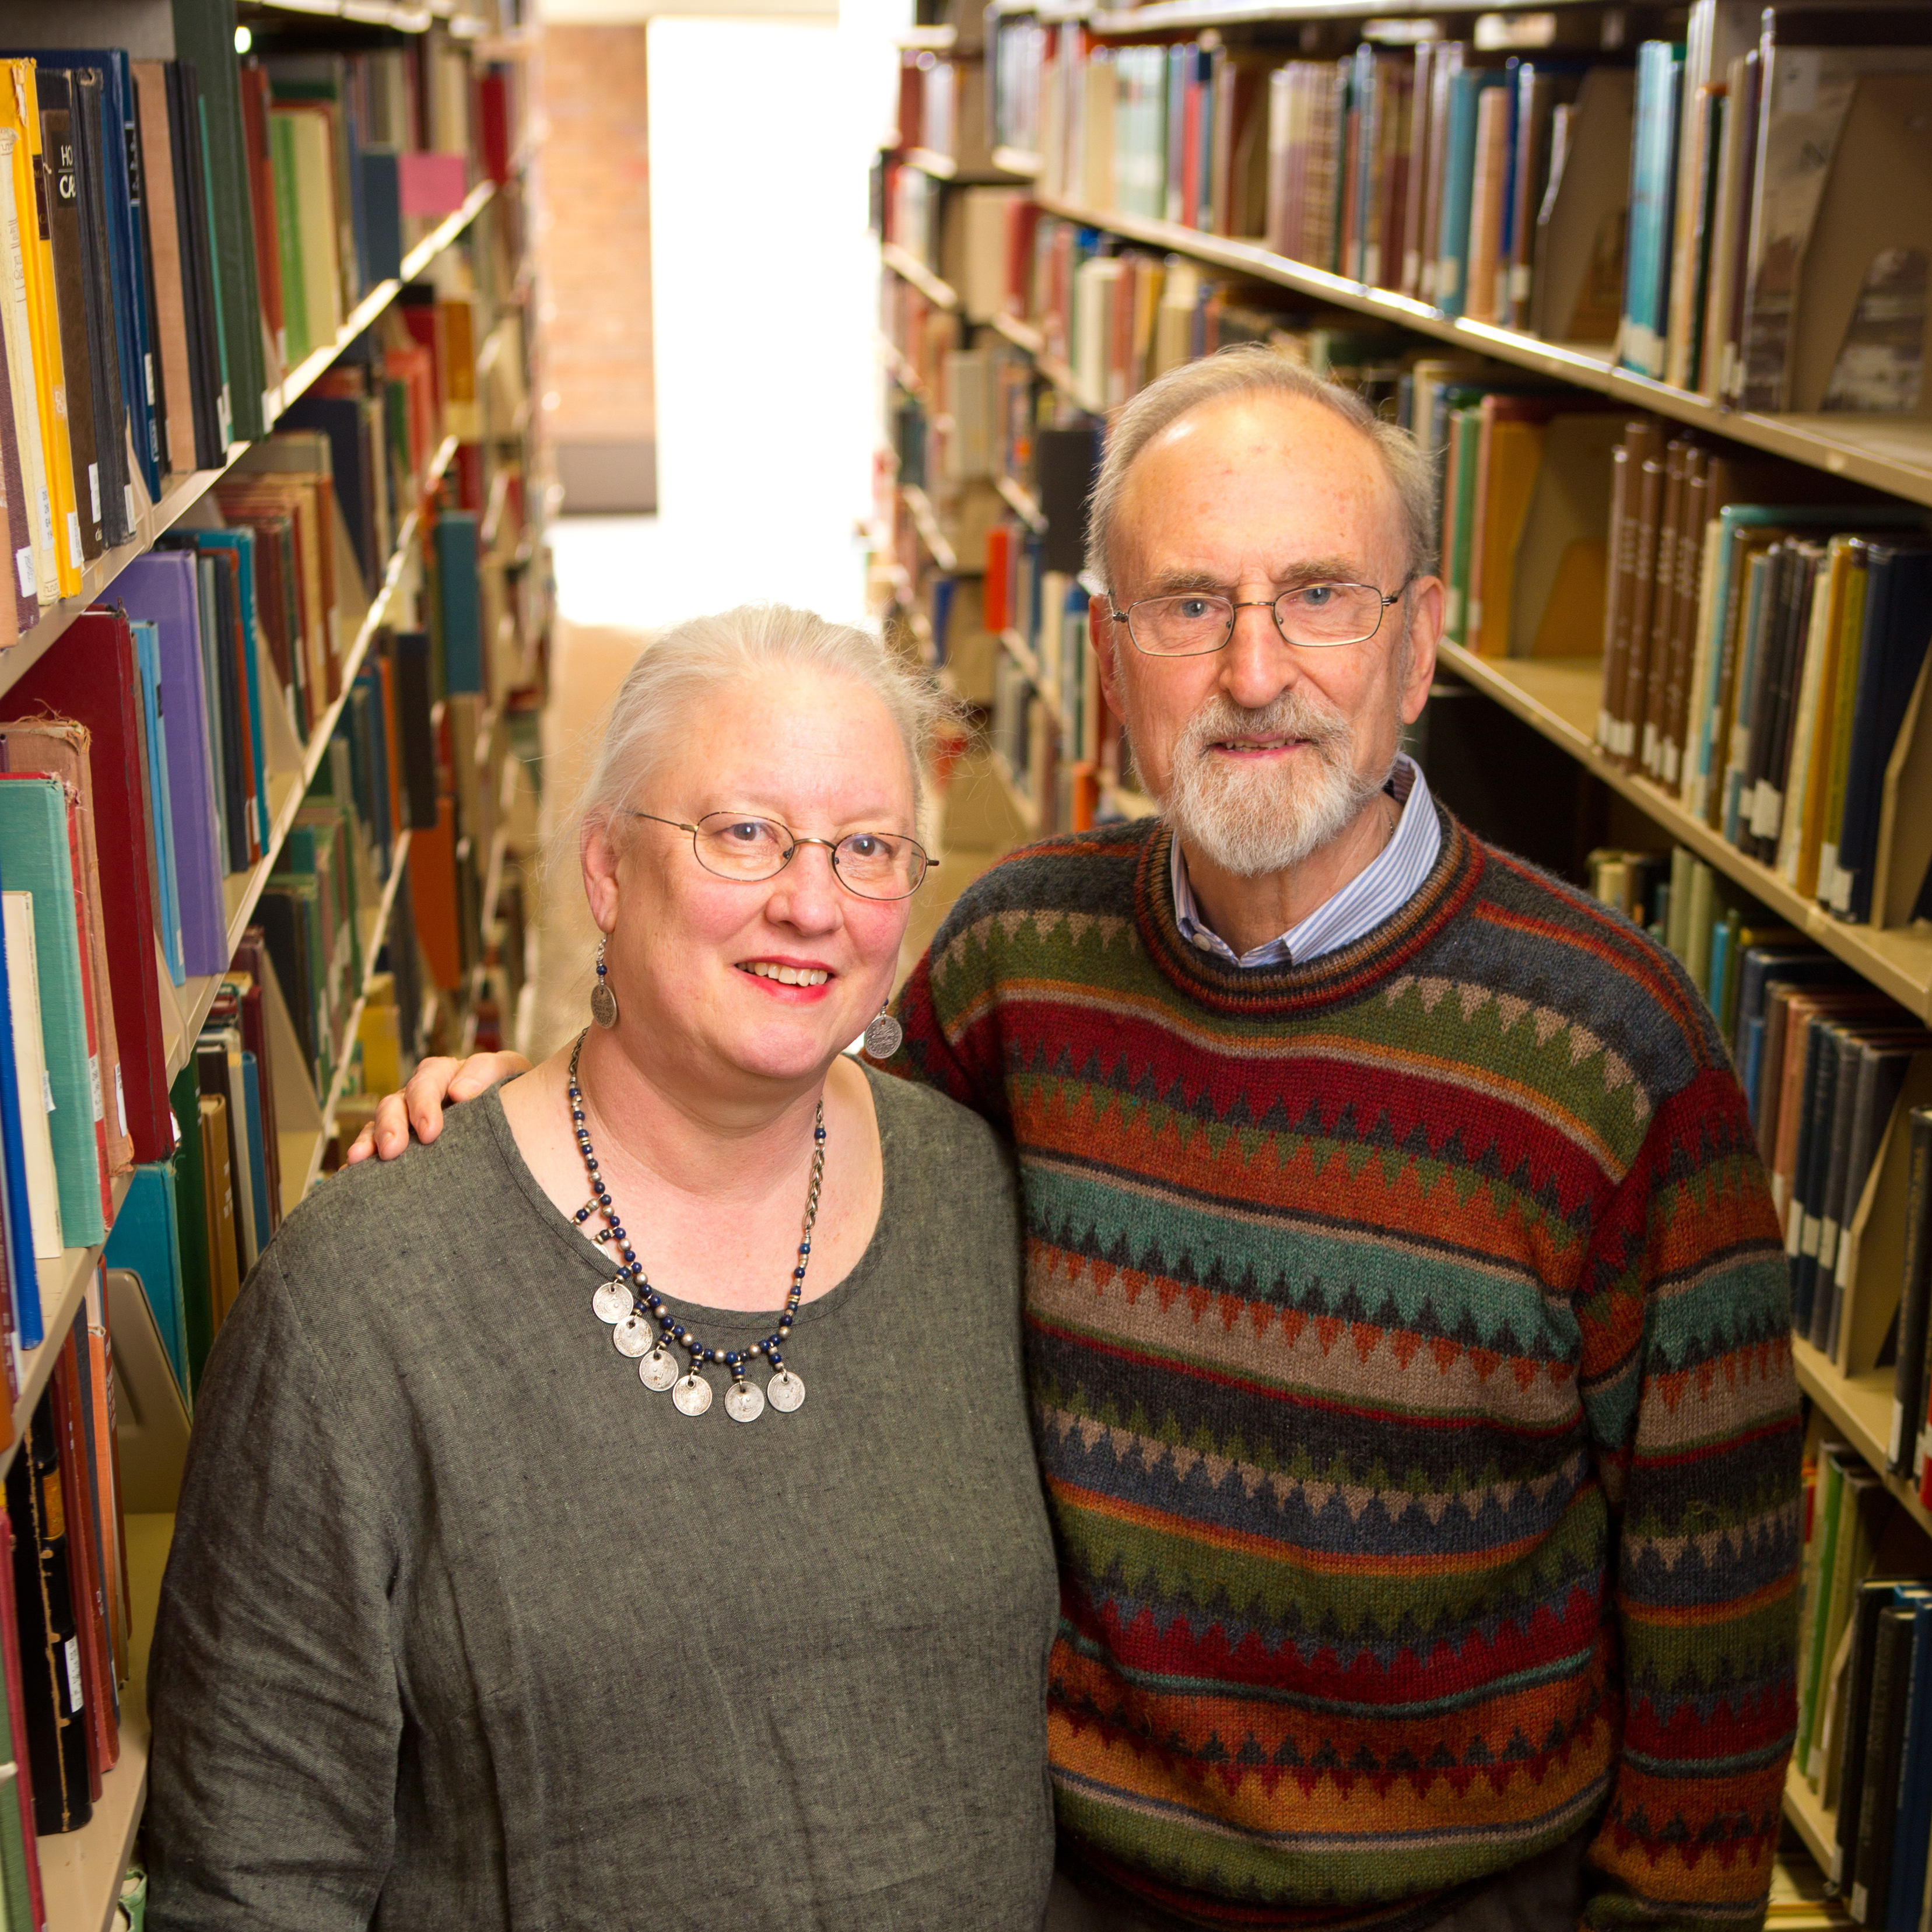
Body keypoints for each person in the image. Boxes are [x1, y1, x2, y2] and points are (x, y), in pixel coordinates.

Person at [368, 348, 1801, 1932]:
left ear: (1420, 643)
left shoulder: (1616, 1049)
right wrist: (551, 1111)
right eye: (1188, 605)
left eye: (1321, 595)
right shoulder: (1016, 958)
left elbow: (1717, 1583)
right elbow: (784, 1147)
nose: (1256, 669)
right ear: (1110, 653)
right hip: (1064, 1889)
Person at [145, 606, 1060, 1932]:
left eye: (868, 850)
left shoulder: (982, 1202)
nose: (811, 903)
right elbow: (253, 1870)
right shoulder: (370, 1295)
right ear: (606, 872)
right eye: (744, 833)